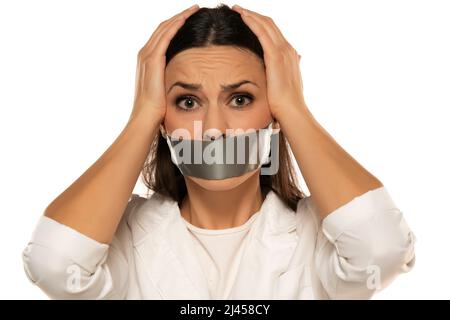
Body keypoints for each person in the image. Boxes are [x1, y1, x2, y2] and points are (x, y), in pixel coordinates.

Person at [22, 3, 416, 299]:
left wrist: (294, 108)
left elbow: (381, 251)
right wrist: (141, 116)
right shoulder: (123, 240)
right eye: (188, 102)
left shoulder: (316, 240)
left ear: (273, 112)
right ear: (163, 118)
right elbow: (55, 265)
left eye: (241, 99)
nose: (213, 130)